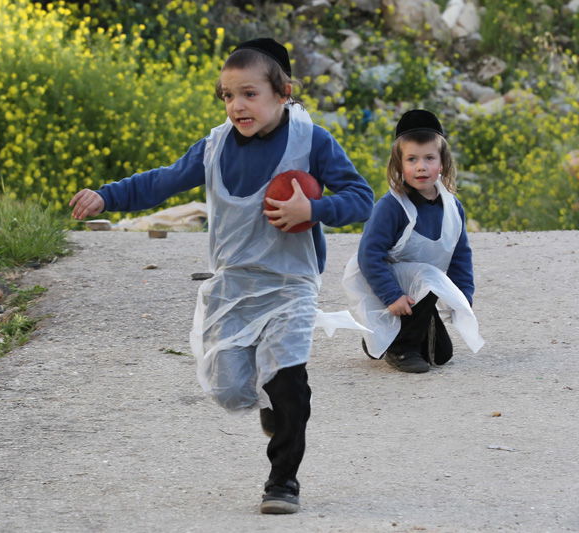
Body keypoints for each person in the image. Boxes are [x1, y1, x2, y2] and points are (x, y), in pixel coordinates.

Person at [70, 38, 373, 514]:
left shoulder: (311, 141)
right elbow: (163, 180)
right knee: (230, 389)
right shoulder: (214, 146)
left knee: (288, 378)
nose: (237, 105)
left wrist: (312, 208)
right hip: (232, 285)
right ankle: (267, 401)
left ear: (283, 93)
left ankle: (283, 481)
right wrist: (108, 196)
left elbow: (361, 198)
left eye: (249, 94)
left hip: (290, 283)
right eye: (227, 95)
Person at [342, 109, 484, 374]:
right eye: (412, 159)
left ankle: (382, 337)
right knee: (429, 278)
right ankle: (398, 348)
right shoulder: (391, 207)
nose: (421, 166)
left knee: (441, 355)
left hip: (421, 286)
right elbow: (369, 254)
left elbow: (460, 254)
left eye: (429, 158)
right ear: (399, 166)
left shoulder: (452, 207)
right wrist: (391, 295)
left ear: (442, 163)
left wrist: (463, 296)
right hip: (383, 283)